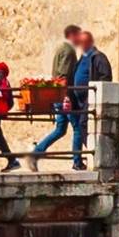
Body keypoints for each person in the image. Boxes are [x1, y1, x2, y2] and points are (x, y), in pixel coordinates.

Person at [33, 27, 97, 168]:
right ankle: (77, 161)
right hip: (64, 97)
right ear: (72, 35)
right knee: (78, 127)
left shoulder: (60, 48)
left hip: (58, 96)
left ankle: (36, 152)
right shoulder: (68, 51)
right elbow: (63, 76)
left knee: (60, 130)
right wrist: (66, 97)